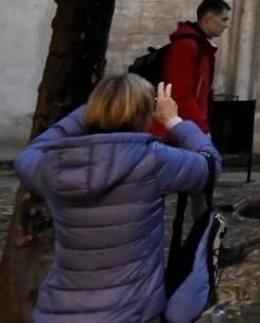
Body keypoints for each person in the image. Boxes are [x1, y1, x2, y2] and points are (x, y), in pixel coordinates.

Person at [15, 75, 219, 322]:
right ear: (144, 115)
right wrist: (173, 121)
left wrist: (91, 109)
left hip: (60, 312)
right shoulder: (153, 161)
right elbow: (210, 164)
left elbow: (27, 156)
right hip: (132, 310)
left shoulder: (54, 164)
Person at [162, 0, 231, 140]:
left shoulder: (199, 47)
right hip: (181, 129)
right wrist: (201, 129)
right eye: (224, 19)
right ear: (209, 18)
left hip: (186, 127)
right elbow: (180, 94)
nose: (226, 25)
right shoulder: (187, 46)